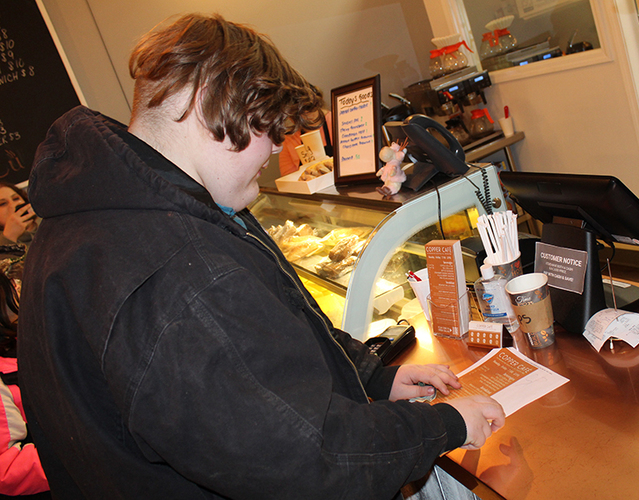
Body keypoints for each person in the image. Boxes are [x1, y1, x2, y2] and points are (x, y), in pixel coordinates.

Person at [17, 13, 504, 499]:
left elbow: (266, 354)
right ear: (205, 103)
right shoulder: (178, 274)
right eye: (268, 127)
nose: (276, 147)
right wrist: (441, 425)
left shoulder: (90, 215)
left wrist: (375, 377)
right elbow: (307, 461)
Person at [0, 272, 50, 498]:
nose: (18, 289)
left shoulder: (17, 343)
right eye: (12, 287)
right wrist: (78, 456)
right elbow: (6, 471)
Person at [0, 182, 37, 247]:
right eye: (3, 204)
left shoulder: (48, 221)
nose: (13, 205)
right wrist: (9, 237)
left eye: (16, 198)